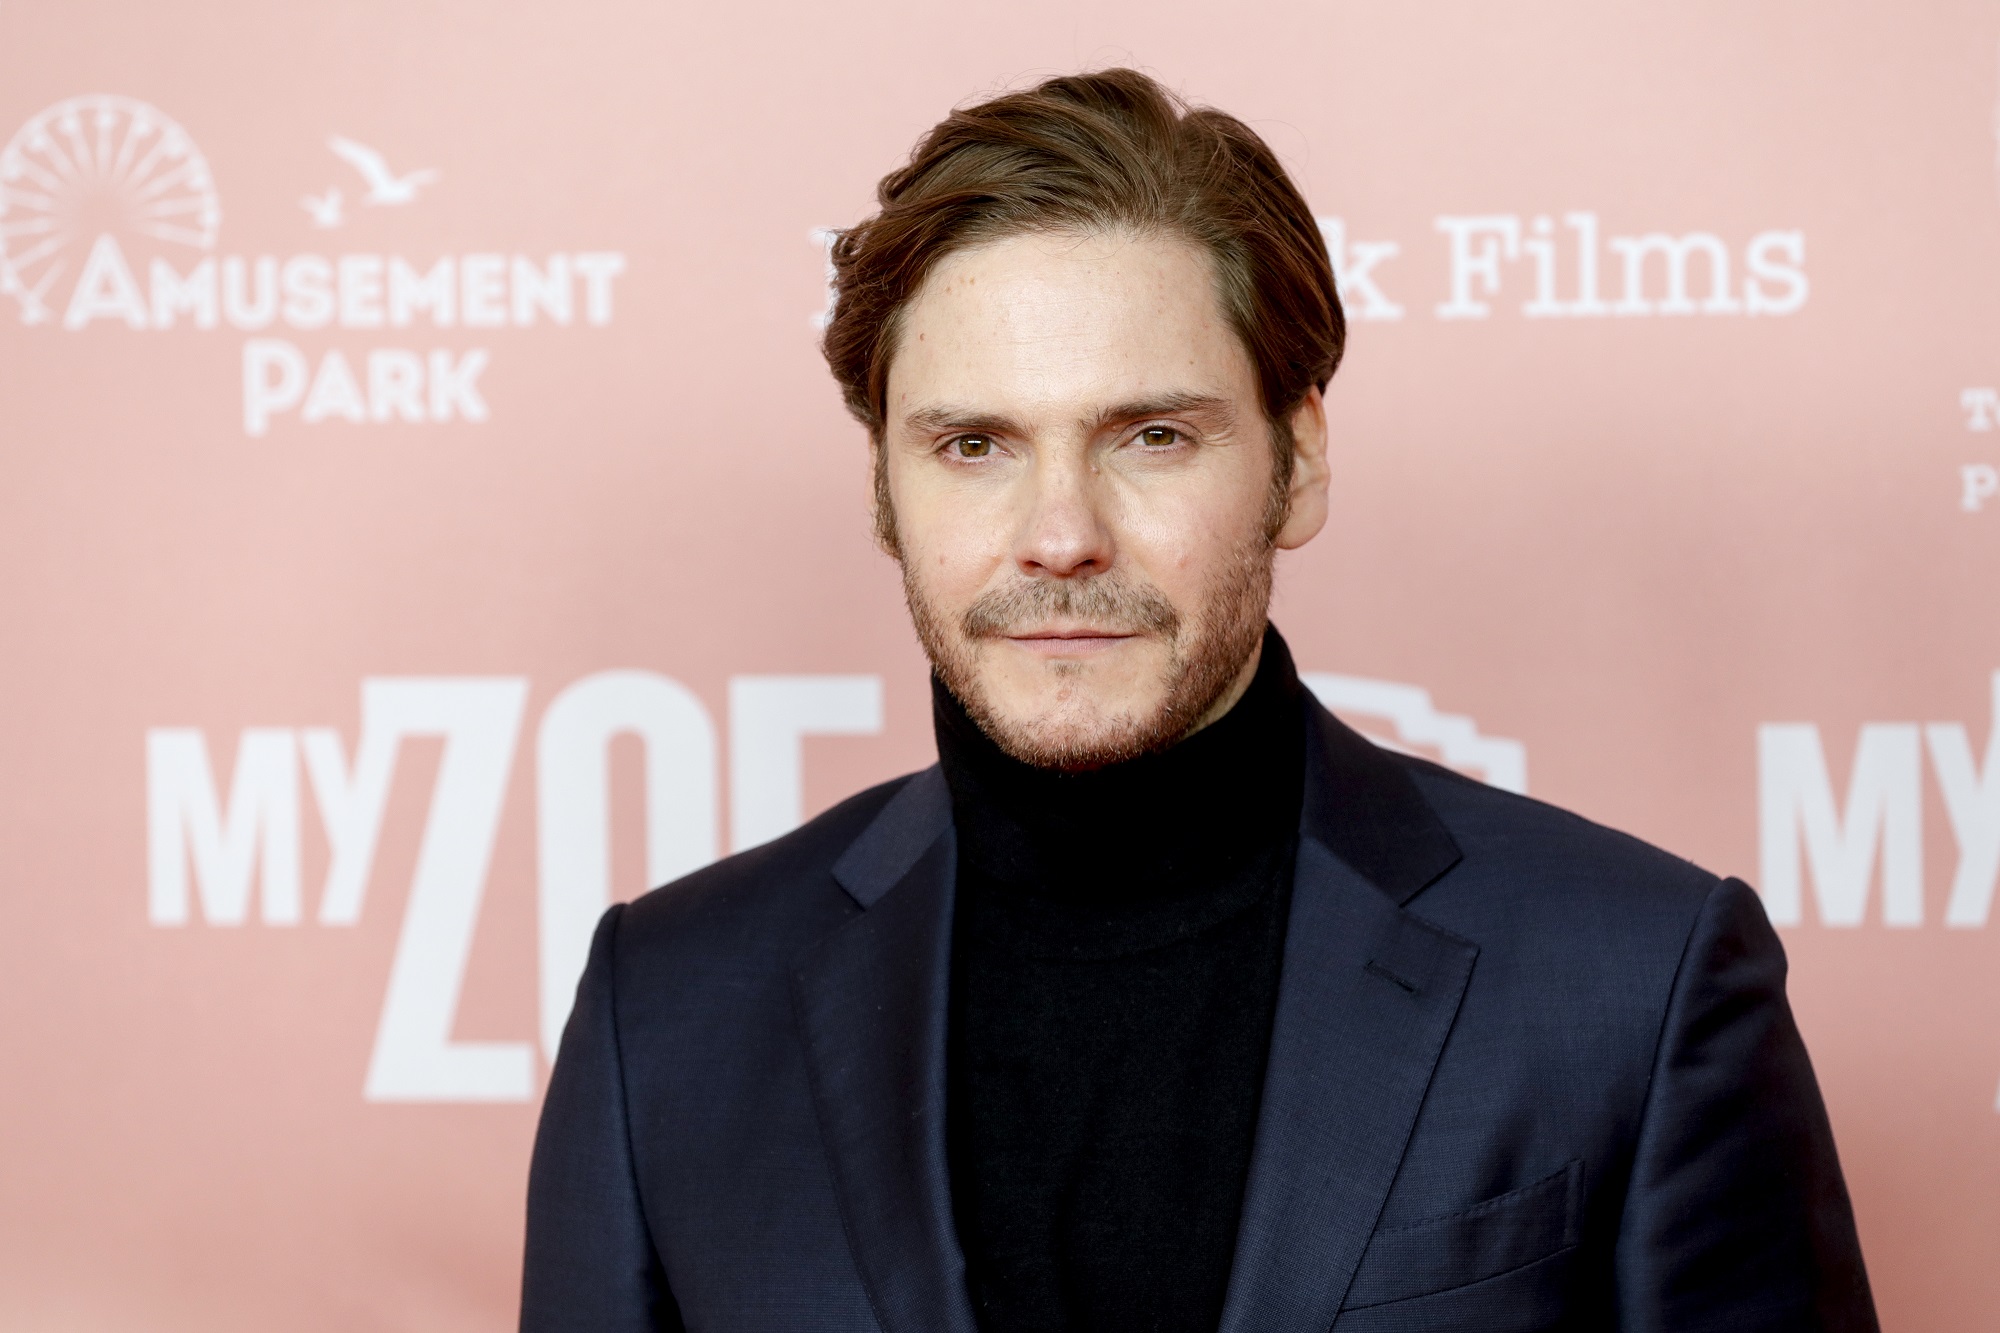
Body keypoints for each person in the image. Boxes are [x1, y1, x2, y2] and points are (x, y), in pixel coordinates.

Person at [520, 69, 1876, 1333]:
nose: (1061, 536)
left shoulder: (1635, 982)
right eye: (975, 444)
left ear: (1300, 463)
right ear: (886, 487)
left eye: (1153, 436)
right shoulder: (668, 1012)